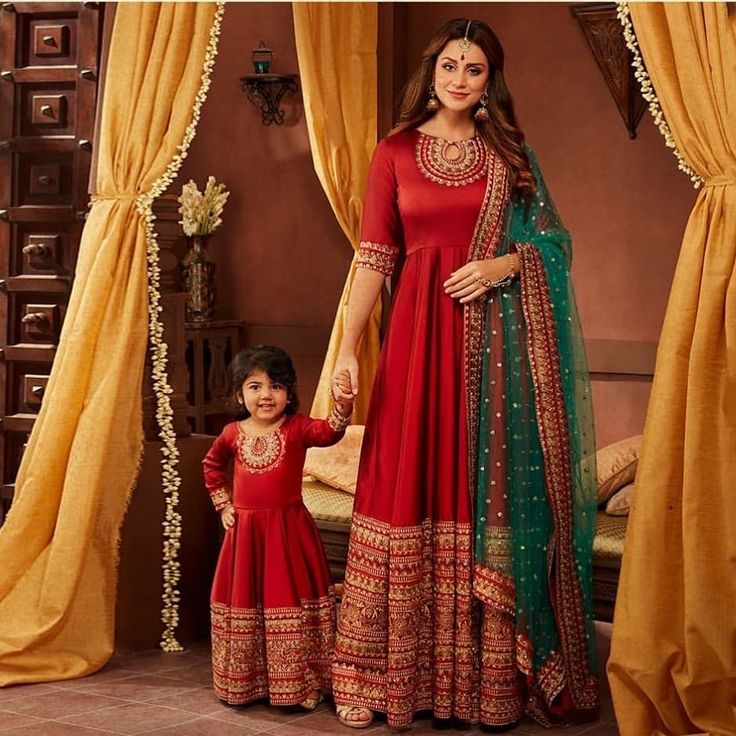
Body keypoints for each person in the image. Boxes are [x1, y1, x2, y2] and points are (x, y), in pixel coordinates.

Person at [330, 18, 598, 730]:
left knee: (483, 486)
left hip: (493, 355)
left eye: (474, 69)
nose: (459, 78)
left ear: (489, 80)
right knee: (402, 481)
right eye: (450, 64)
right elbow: (374, 256)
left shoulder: (509, 155)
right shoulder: (393, 152)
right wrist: (349, 349)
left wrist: (507, 264)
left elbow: (555, 245)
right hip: (415, 341)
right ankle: (387, 677)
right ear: (432, 70)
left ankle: (483, 684)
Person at [203, 345, 353, 710]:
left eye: (275, 386)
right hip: (246, 535)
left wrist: (343, 405)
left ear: (289, 393)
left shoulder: (298, 428)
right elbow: (211, 466)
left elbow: (328, 432)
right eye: (255, 387)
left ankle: (304, 682)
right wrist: (224, 505)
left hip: (289, 533)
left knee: (290, 600)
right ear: (240, 394)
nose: (266, 395)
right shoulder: (231, 434)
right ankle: (247, 683)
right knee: (247, 601)